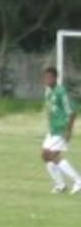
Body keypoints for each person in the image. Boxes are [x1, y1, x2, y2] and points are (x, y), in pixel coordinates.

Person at [40, 65, 80, 194]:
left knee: (52, 155)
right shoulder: (49, 92)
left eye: (49, 77)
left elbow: (72, 112)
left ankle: (78, 181)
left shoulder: (60, 91)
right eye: (45, 77)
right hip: (53, 130)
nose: (46, 80)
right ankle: (60, 185)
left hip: (61, 129)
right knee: (45, 155)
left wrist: (68, 130)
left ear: (55, 78)